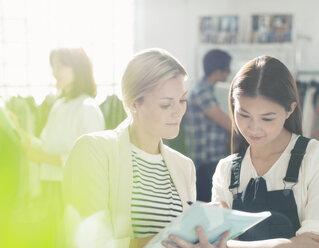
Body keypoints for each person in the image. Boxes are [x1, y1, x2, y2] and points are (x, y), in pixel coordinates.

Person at [63, 48, 200, 248]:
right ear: (134, 103)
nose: (179, 111)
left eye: (182, 100)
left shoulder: (184, 166)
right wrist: (166, 240)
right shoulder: (93, 151)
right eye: (166, 104)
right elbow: (87, 242)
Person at [209, 55, 319, 247]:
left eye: (267, 118)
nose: (254, 128)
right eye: (244, 115)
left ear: (290, 110)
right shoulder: (226, 169)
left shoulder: (316, 156)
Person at [12, 47, 105, 247]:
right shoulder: (58, 105)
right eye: (53, 67)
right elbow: (45, 146)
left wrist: (42, 159)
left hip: (75, 195)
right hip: (52, 191)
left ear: (78, 68)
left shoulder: (88, 108)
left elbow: (88, 162)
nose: (55, 72)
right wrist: (18, 130)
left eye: (60, 66)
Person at [184, 49, 232, 202]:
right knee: (209, 208)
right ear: (218, 71)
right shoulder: (202, 92)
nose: (230, 72)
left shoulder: (206, 90)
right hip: (206, 163)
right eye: (228, 68)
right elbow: (229, 125)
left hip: (209, 161)